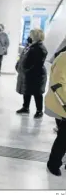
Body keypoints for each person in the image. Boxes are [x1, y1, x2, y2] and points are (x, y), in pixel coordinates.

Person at [16, 29, 48, 118]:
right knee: (27, 91)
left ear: (36, 36)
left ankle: (39, 111)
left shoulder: (40, 48)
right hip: (27, 73)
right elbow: (23, 57)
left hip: (36, 74)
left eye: (31, 35)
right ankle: (25, 107)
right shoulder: (30, 46)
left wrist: (26, 70)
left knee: (37, 93)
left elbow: (37, 63)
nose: (29, 37)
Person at [45, 44, 66, 176]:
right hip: (62, 103)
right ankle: (53, 163)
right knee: (64, 137)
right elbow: (58, 84)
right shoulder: (64, 57)